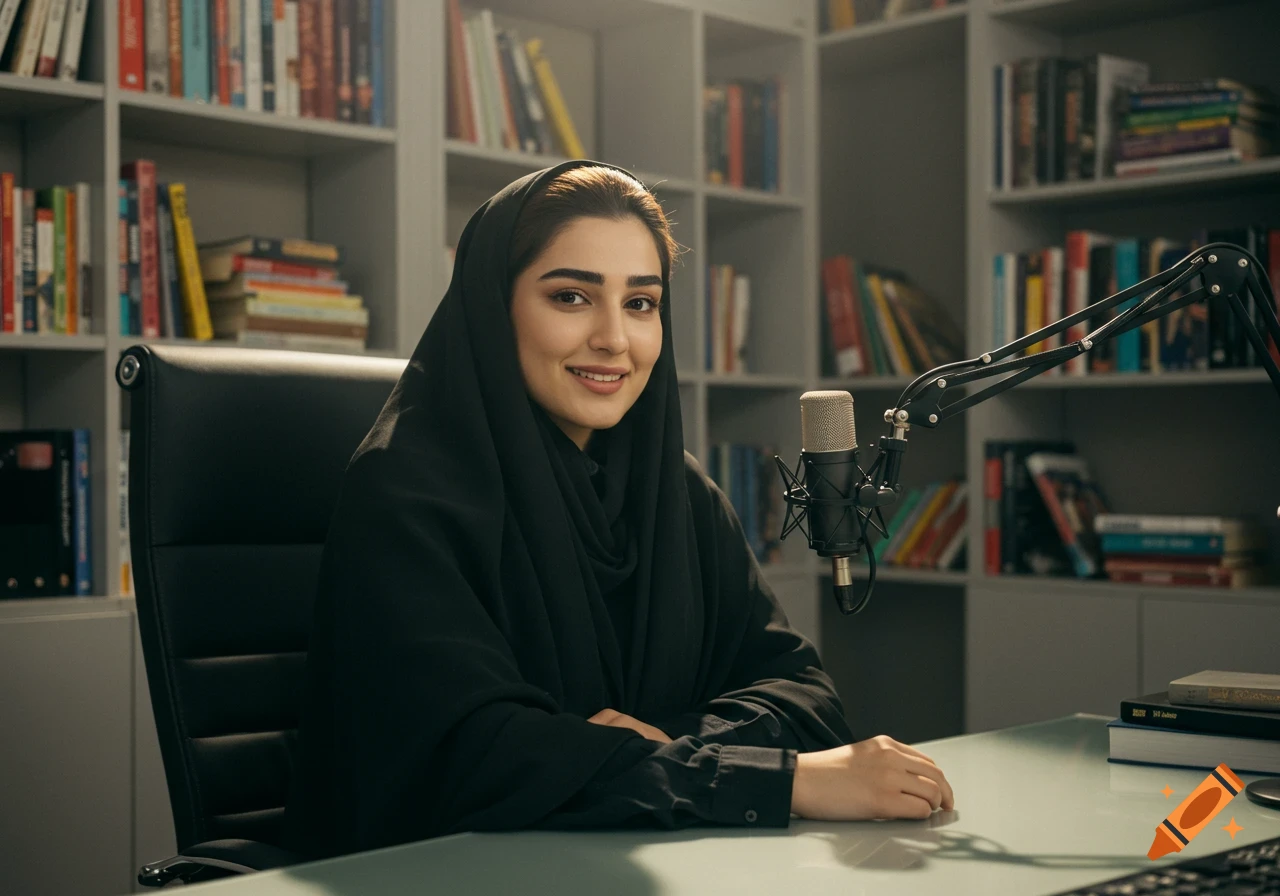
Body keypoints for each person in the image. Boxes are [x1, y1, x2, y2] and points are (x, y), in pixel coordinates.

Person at [283, 160, 955, 861]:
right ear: (492, 307)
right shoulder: (403, 494)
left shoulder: (678, 491)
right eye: (571, 297)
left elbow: (805, 699)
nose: (614, 338)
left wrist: (659, 750)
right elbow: (474, 761)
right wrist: (777, 780)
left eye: (640, 303)